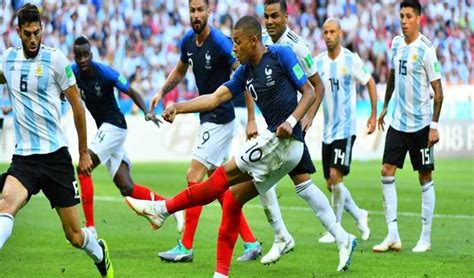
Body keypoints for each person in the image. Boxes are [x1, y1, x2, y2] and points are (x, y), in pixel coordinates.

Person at [126, 15, 357, 277]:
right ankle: (222, 273)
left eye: (237, 42)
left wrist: (292, 121)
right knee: (234, 199)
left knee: (219, 179)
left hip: (283, 142)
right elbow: (215, 98)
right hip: (281, 147)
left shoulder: (282, 55)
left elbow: (310, 91)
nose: (234, 48)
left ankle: (162, 210)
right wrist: (179, 107)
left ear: (253, 40)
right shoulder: (244, 72)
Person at [0, 4, 112, 277]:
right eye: (27, 34)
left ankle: (99, 253)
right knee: (6, 204)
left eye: (37, 32)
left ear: (42, 29)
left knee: (74, 235)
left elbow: (77, 107)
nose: (33, 39)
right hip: (25, 158)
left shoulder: (57, 60)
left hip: (55, 158)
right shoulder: (8, 60)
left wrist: (83, 152)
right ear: (18, 32)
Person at [147, 0, 261, 263]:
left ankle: (185, 245)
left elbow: (245, 76)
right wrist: (161, 92)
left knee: (194, 176)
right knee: (219, 186)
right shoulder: (188, 41)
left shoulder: (221, 44)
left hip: (219, 117)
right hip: (208, 117)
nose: (196, 15)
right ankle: (251, 242)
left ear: (209, 12)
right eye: (192, 10)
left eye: (200, 10)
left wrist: (252, 118)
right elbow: (179, 70)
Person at [71, 35, 183, 239]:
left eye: (86, 54)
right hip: (106, 130)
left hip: (114, 126)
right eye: (78, 56)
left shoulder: (105, 73)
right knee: (126, 187)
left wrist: (146, 111)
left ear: (91, 54)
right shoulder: (72, 73)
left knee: (84, 167)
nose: (82, 59)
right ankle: (172, 207)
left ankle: (91, 228)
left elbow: (131, 91)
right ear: (75, 56)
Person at [254, 0, 327, 264]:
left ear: (287, 16)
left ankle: (283, 236)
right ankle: (340, 236)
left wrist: (306, 118)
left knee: (261, 175)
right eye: (266, 16)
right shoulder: (260, 41)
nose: (270, 21)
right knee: (301, 183)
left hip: (291, 123)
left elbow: (317, 86)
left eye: (275, 16)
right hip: (275, 124)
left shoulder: (297, 46)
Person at [373, 0, 443, 253]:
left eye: (408, 16)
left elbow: (439, 91)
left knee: (424, 176)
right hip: (399, 122)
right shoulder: (395, 44)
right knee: (386, 169)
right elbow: (393, 74)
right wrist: (385, 105)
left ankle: (425, 237)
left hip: (422, 125)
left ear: (418, 19)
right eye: (401, 15)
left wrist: (434, 126)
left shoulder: (426, 49)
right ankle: (392, 234)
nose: (403, 20)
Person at [314, 18, 376, 244]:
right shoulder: (318, 63)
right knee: (331, 184)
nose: (328, 36)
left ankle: (336, 229)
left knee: (335, 176)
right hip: (327, 131)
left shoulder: (351, 60)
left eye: (332, 32)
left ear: (340, 33)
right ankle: (360, 214)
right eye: (325, 32)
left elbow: (369, 81)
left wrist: (372, 114)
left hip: (345, 129)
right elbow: (311, 91)